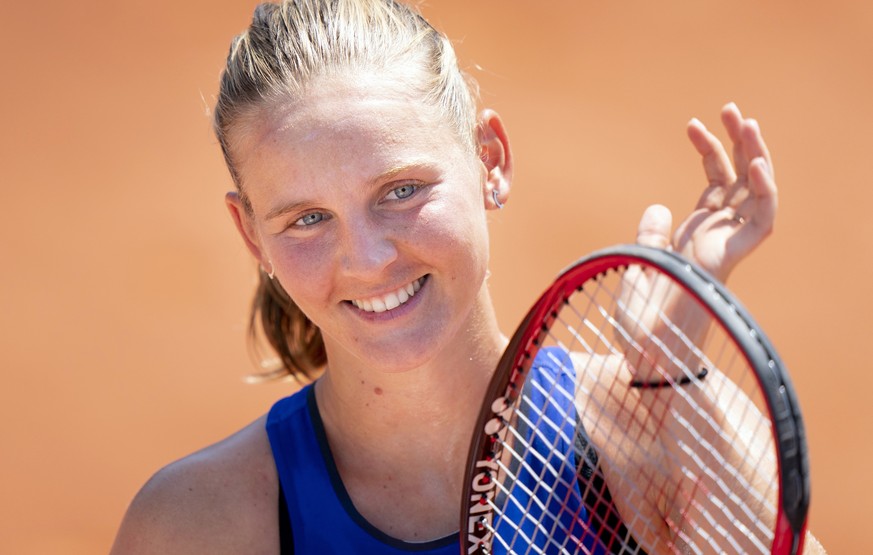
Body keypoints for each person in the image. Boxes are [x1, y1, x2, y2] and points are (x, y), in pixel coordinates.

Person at [109, 0, 825, 553]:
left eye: (399, 190)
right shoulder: (196, 523)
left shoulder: (661, 425)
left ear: (490, 160)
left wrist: (672, 377)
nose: (367, 258)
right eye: (306, 218)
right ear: (250, 234)